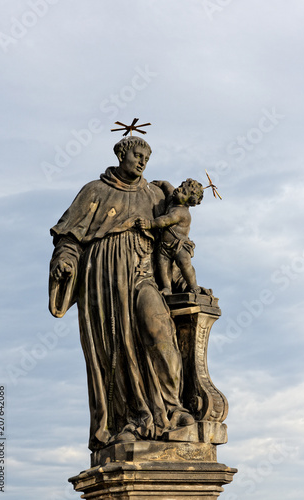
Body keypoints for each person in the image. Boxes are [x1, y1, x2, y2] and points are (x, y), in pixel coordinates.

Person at [49, 136, 194, 452]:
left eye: (146, 157)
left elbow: (170, 242)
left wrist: (185, 282)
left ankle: (172, 410)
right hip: (103, 283)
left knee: (161, 333)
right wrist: (65, 260)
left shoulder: (155, 195)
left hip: (143, 275)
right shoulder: (94, 192)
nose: (142, 162)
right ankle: (129, 421)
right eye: (137, 155)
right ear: (121, 154)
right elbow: (69, 238)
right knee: (117, 349)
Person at [135, 178, 203, 295]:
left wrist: (149, 224)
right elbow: (167, 185)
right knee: (163, 266)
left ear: (191, 200)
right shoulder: (173, 198)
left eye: (184, 192)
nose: (178, 190)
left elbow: (165, 221)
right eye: (181, 186)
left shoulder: (182, 213)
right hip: (164, 246)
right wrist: (156, 183)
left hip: (179, 245)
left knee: (185, 265)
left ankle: (193, 285)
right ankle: (167, 287)